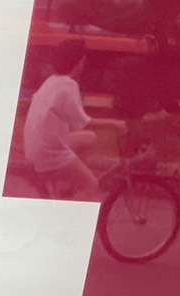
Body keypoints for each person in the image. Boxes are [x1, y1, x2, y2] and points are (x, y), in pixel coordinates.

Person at [22, 39, 124, 202]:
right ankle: (67, 212)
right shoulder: (69, 85)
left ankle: (63, 186)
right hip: (49, 151)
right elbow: (83, 123)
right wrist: (115, 124)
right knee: (91, 186)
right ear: (80, 62)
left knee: (90, 138)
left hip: (34, 146)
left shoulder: (51, 80)